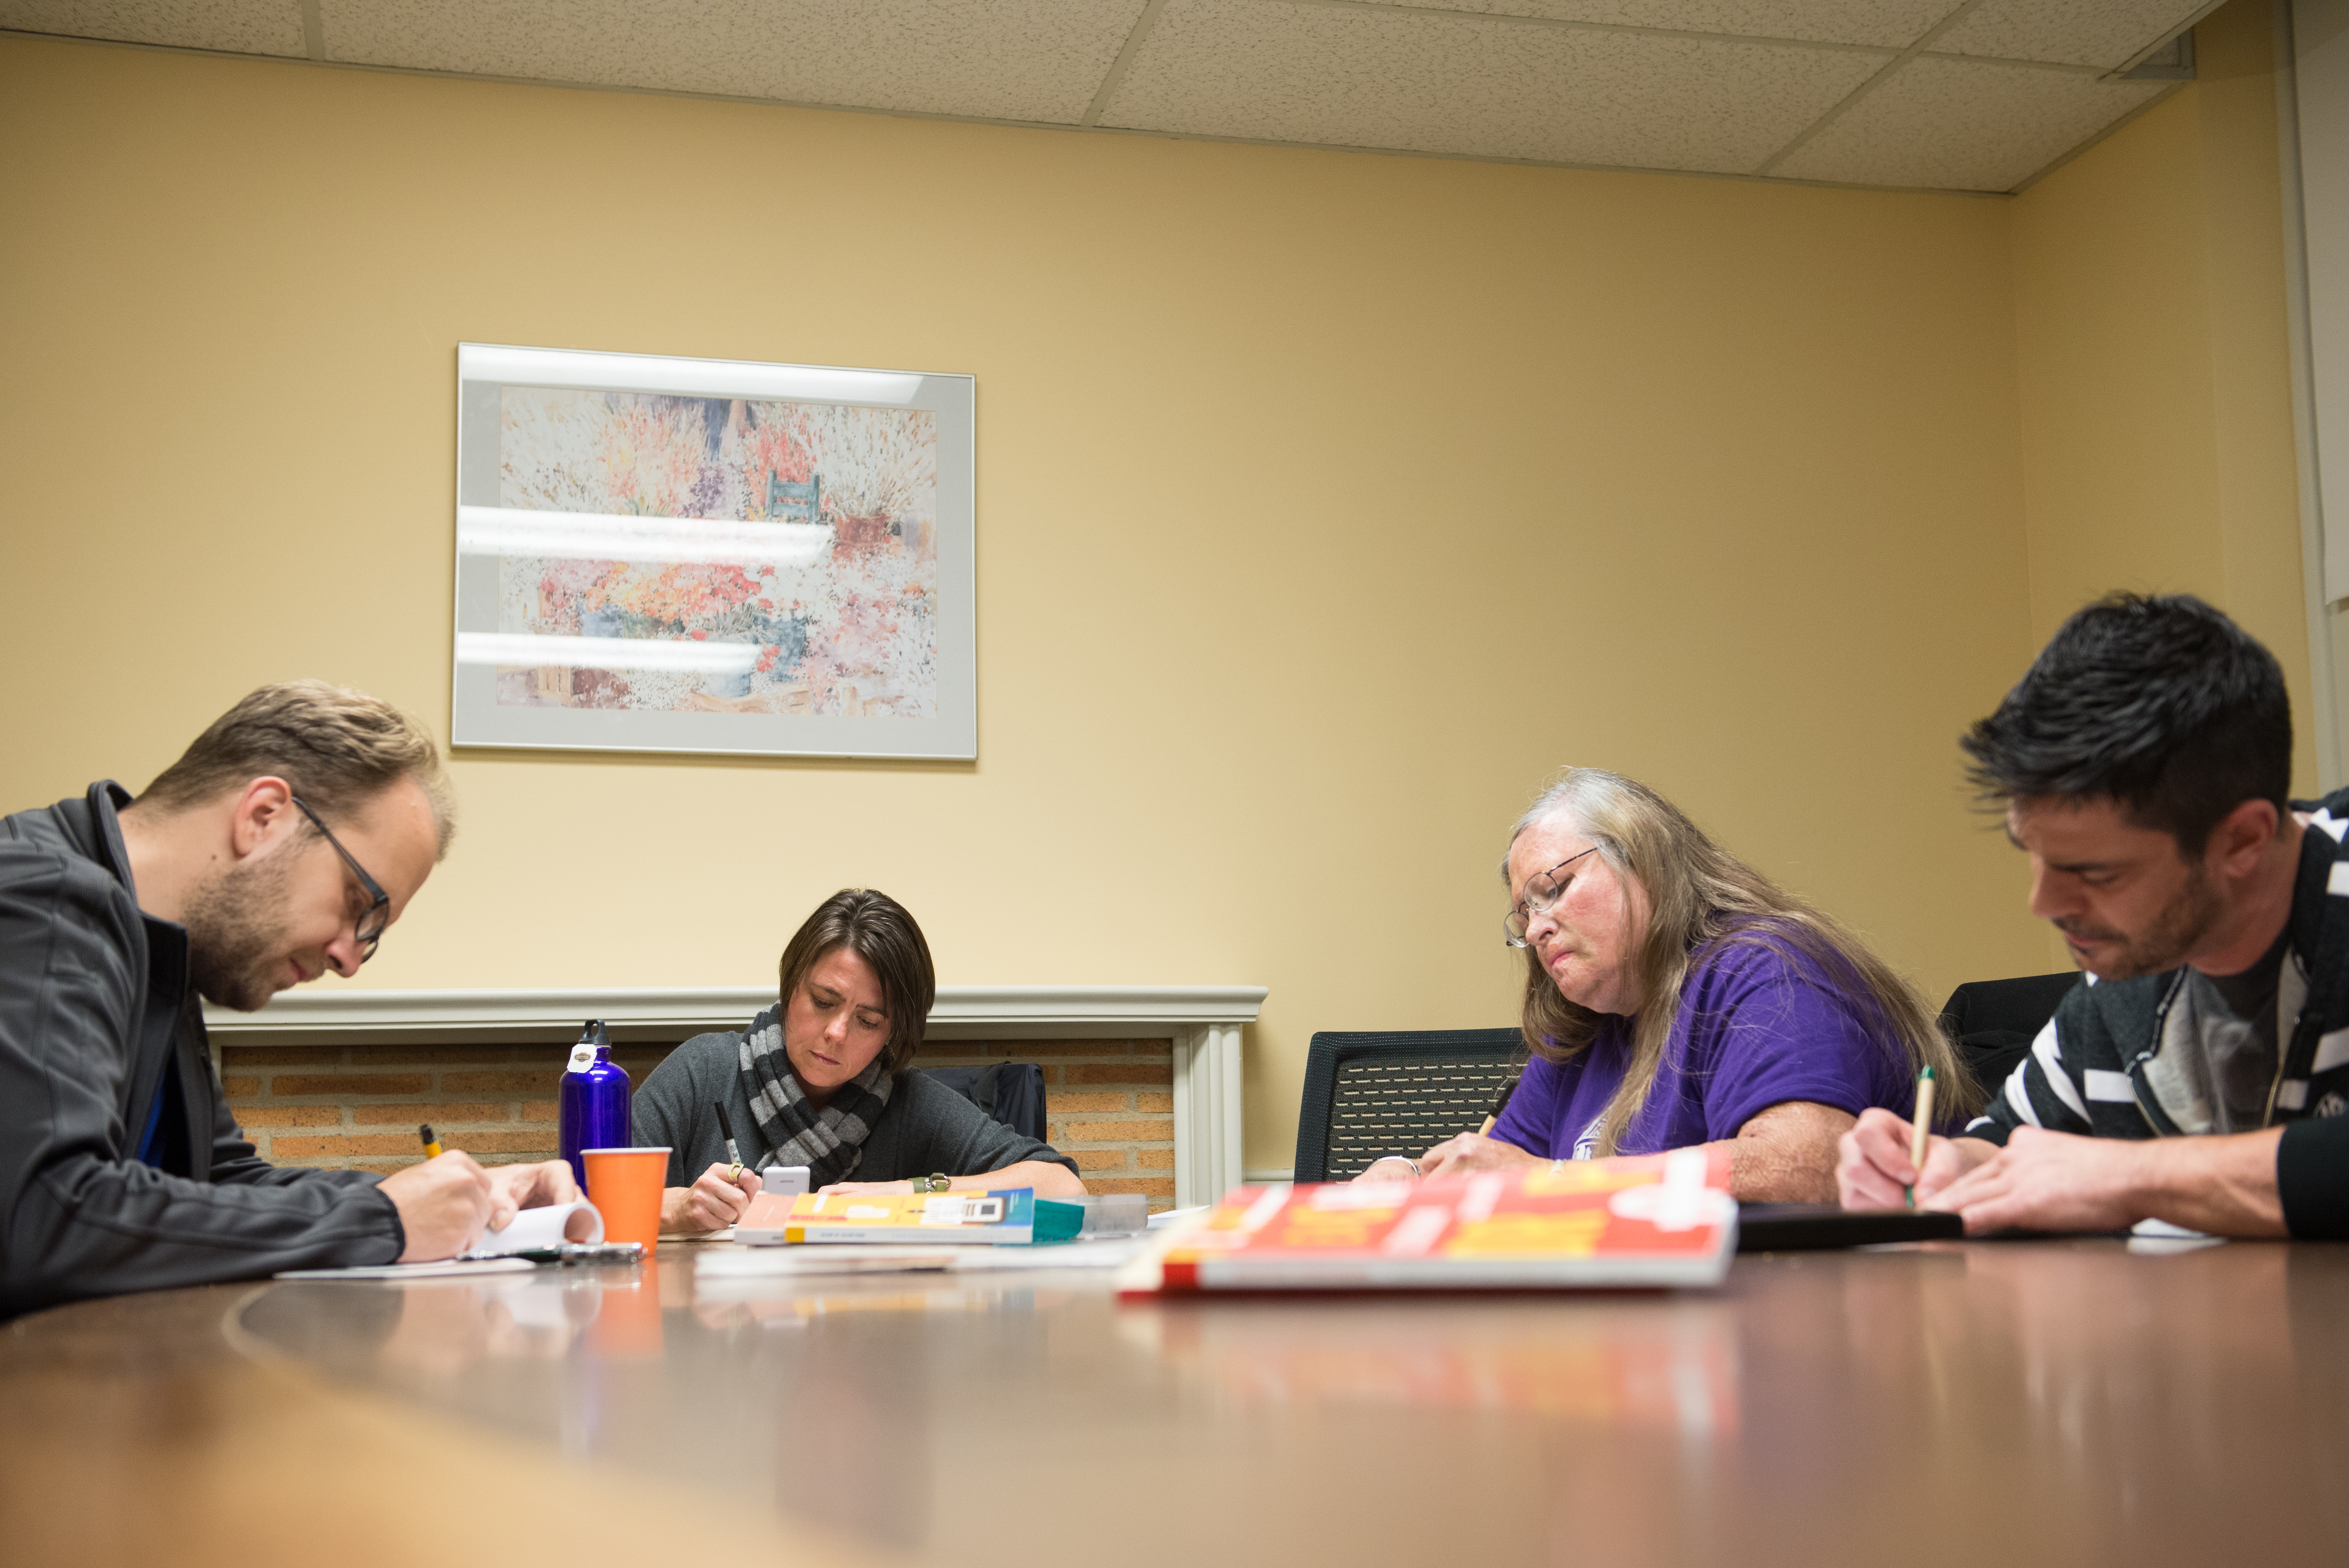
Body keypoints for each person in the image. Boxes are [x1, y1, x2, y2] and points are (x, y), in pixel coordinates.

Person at [0, 682, 579, 1316]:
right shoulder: (43, 900)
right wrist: (379, 1218)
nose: (350, 960)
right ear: (264, 816)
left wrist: (458, 1195)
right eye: (360, 906)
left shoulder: (164, 952)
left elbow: (219, 1182)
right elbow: (43, 1215)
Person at [1838, 593, 2349, 1238]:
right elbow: (2011, 1143)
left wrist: (2128, 1176)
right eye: (2034, 855)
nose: (2043, 904)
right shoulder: (2128, 969)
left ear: (2244, 840)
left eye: (2097, 874)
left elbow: (2091, 1173)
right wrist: (1948, 1169)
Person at [1359, 769, 1973, 1200]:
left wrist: (1552, 1183)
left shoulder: (1764, 966)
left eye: (1555, 887)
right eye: (1524, 914)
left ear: (1642, 857)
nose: (1539, 925)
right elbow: (1500, 1165)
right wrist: (1408, 1172)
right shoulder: (1584, 1028)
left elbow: (1804, 1166)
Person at [633, 888, 1084, 1232]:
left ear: (892, 1035)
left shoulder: (910, 1105)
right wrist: (673, 1209)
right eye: (823, 1001)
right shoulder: (704, 1070)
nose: (836, 1032)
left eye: (867, 1021)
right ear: (791, 988)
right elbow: (584, 1207)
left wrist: (910, 1193)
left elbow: (1066, 1192)